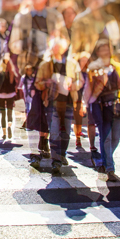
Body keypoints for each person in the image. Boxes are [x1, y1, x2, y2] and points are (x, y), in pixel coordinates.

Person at [83, 39, 120, 182]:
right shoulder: (93, 67)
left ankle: (105, 159)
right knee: (106, 136)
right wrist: (87, 103)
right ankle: (110, 168)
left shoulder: (116, 66)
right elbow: (88, 89)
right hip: (101, 105)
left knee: (116, 137)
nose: (105, 51)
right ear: (97, 52)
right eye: (102, 49)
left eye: (107, 48)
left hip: (115, 105)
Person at [34, 36, 82, 175]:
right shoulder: (46, 64)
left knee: (66, 132)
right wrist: (47, 83)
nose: (57, 49)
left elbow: (80, 81)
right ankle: (56, 160)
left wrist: (73, 85)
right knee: (54, 131)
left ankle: (61, 154)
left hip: (67, 103)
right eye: (55, 46)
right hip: (52, 103)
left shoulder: (72, 64)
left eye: (59, 46)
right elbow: (38, 83)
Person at [9, 0, 68, 73]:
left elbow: (65, 40)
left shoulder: (56, 16)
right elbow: (13, 45)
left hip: (51, 69)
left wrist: (58, 46)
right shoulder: (21, 17)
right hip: (27, 69)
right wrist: (26, 43)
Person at [0, 54, 19, 140]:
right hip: (10, 94)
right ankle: (9, 127)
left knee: (3, 114)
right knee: (9, 113)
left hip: (1, 95)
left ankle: (4, 133)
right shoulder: (11, 71)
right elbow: (15, 82)